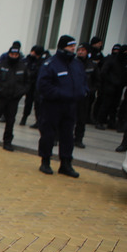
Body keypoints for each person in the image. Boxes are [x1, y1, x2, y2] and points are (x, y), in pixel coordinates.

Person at [36, 35, 87, 177]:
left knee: (67, 135)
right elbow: (43, 85)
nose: (73, 48)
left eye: (74, 46)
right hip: (52, 105)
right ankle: (45, 161)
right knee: (48, 134)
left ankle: (65, 163)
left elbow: (83, 81)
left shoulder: (76, 64)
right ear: (62, 47)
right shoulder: (50, 64)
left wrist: (83, 91)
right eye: (70, 46)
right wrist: (61, 94)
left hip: (70, 106)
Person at [0, 41, 28, 151]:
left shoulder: (22, 67)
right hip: (0, 97)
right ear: (9, 54)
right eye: (12, 54)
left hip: (13, 99)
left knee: (10, 121)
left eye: (16, 55)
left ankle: (7, 142)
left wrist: (20, 93)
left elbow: (27, 83)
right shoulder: (1, 65)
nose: (13, 56)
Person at [74, 43, 98, 149]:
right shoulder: (72, 63)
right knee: (66, 118)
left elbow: (97, 80)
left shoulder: (92, 64)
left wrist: (90, 91)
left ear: (87, 51)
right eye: (79, 50)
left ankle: (78, 139)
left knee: (81, 119)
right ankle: (59, 137)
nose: (80, 52)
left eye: (83, 50)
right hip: (71, 96)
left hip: (84, 97)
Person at [19, 45, 45, 127]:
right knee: (28, 102)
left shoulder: (42, 62)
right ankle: (24, 118)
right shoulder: (29, 60)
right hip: (30, 85)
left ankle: (38, 121)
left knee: (38, 104)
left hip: (37, 86)